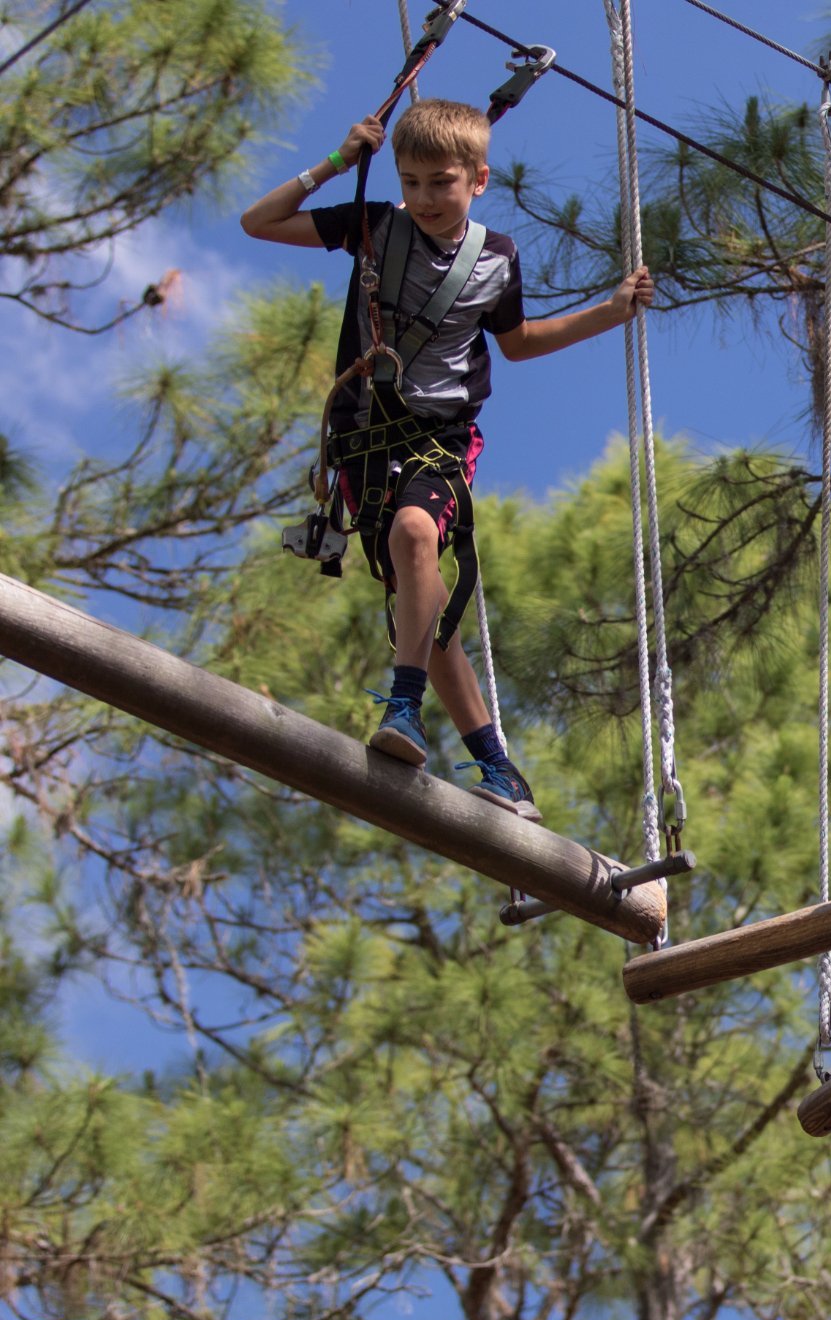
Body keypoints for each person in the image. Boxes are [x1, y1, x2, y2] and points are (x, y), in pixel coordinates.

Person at [242, 101, 654, 823]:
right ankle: (501, 769)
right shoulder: (374, 226)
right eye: (412, 182)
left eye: (443, 182)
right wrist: (337, 162)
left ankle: (403, 707)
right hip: (364, 440)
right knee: (422, 609)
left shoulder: (495, 259)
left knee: (414, 537)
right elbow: (260, 222)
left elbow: (518, 341)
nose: (426, 199)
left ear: (479, 180)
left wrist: (611, 310)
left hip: (439, 436)